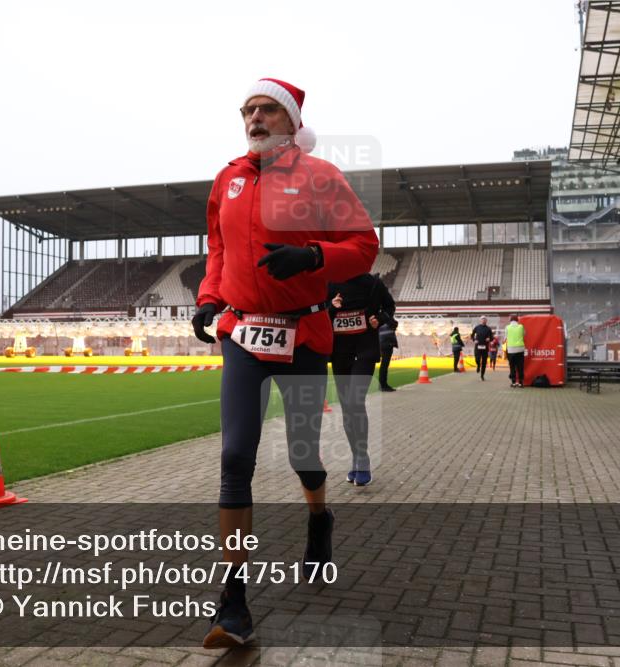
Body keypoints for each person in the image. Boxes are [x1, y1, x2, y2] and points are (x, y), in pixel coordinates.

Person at [191, 77, 378, 648]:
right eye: (247, 110)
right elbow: (218, 250)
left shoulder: (320, 177)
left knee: (302, 452)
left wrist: (316, 254)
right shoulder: (228, 179)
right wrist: (208, 298)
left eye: (267, 109)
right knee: (234, 457)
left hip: (303, 334)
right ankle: (234, 604)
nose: (254, 117)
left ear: (292, 120)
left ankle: (319, 519)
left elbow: (365, 244)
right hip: (242, 334)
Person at [328, 272, 398, 487]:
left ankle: (363, 459)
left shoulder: (373, 283)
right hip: (340, 354)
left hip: (365, 350)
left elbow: (389, 307)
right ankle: (356, 455)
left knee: (355, 402)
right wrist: (331, 307)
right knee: (347, 407)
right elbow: (317, 313)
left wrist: (380, 319)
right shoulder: (329, 283)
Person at [470, 315, 494, 381]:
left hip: (485, 347)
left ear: (486, 321)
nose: (483, 320)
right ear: (480, 320)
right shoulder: (477, 327)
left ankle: (482, 375)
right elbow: (472, 335)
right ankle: (478, 365)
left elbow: (492, 337)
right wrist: (474, 340)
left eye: (485, 319)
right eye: (482, 319)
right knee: (477, 359)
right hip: (478, 346)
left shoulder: (488, 328)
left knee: (484, 362)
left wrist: (489, 339)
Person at [506, 314, 526, 387]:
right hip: (520, 349)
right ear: (517, 319)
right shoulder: (521, 326)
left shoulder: (507, 327)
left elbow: (505, 337)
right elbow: (524, 334)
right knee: (520, 366)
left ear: (510, 320)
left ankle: (513, 382)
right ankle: (520, 382)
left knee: (512, 366)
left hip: (511, 350)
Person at [378, 320, 398, 391]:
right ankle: (383, 385)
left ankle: (382, 384)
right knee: (385, 364)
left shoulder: (380, 318)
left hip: (383, 342)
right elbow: (394, 324)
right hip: (386, 342)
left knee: (384, 364)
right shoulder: (386, 317)